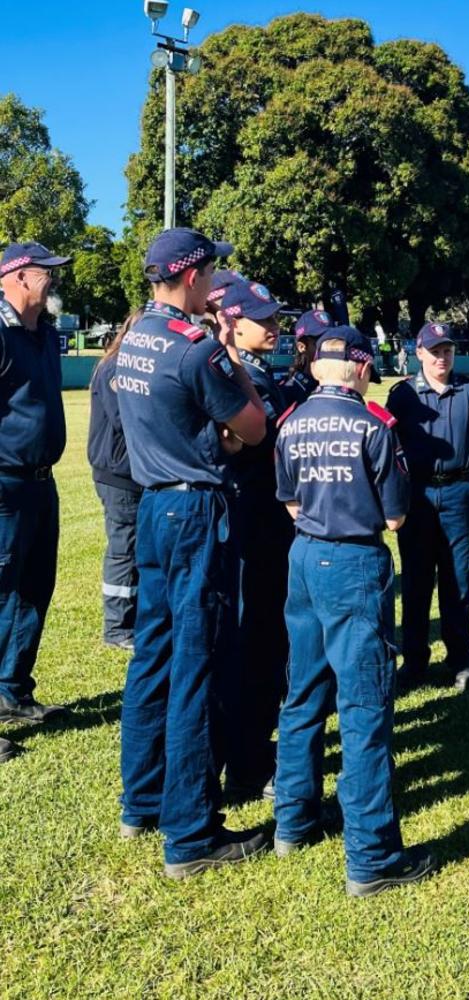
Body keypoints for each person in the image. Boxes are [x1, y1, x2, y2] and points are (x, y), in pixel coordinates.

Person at [116, 227, 269, 878]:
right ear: (192, 276)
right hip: (194, 511)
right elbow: (253, 426)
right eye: (210, 274)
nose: (215, 284)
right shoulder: (195, 349)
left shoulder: (133, 340)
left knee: (152, 655)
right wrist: (229, 356)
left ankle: (141, 801)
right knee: (195, 666)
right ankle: (190, 832)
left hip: (152, 506)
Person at [273, 327, 435, 897]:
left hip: (305, 556)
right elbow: (395, 517)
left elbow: (289, 501)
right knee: (365, 703)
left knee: (303, 691)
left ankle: (293, 819)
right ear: (362, 369)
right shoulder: (374, 426)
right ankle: (372, 854)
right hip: (355, 562)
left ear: (319, 368)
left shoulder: (291, 421)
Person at [387, 322, 469, 692]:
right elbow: (390, 448)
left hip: (458, 494)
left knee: (459, 580)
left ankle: (461, 660)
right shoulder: (402, 397)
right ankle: (414, 660)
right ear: (419, 353)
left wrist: (453, 470)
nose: (441, 358)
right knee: (416, 581)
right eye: (434, 351)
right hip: (416, 496)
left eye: (446, 350)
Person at [219, 278, 295, 799]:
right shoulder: (240, 375)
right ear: (234, 323)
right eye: (262, 319)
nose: (274, 327)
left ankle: (252, 752)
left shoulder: (263, 373)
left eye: (274, 319)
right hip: (252, 525)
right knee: (255, 646)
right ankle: (247, 761)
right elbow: (260, 439)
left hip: (265, 524)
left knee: (267, 645)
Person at [0, 241, 71, 762]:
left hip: (41, 482)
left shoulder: (43, 333)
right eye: (47, 273)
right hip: (4, 484)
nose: (54, 281)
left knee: (32, 590)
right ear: (20, 276)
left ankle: (12, 690)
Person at [87, 311, 144, 651]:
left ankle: (130, 619)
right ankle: (117, 627)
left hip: (129, 472)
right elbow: (128, 419)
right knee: (124, 549)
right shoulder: (117, 368)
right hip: (119, 474)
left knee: (134, 547)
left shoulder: (126, 365)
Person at [280, 308, 333, 406]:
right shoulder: (289, 391)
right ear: (301, 347)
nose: (328, 346)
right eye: (320, 341)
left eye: (332, 340)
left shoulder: (340, 387)